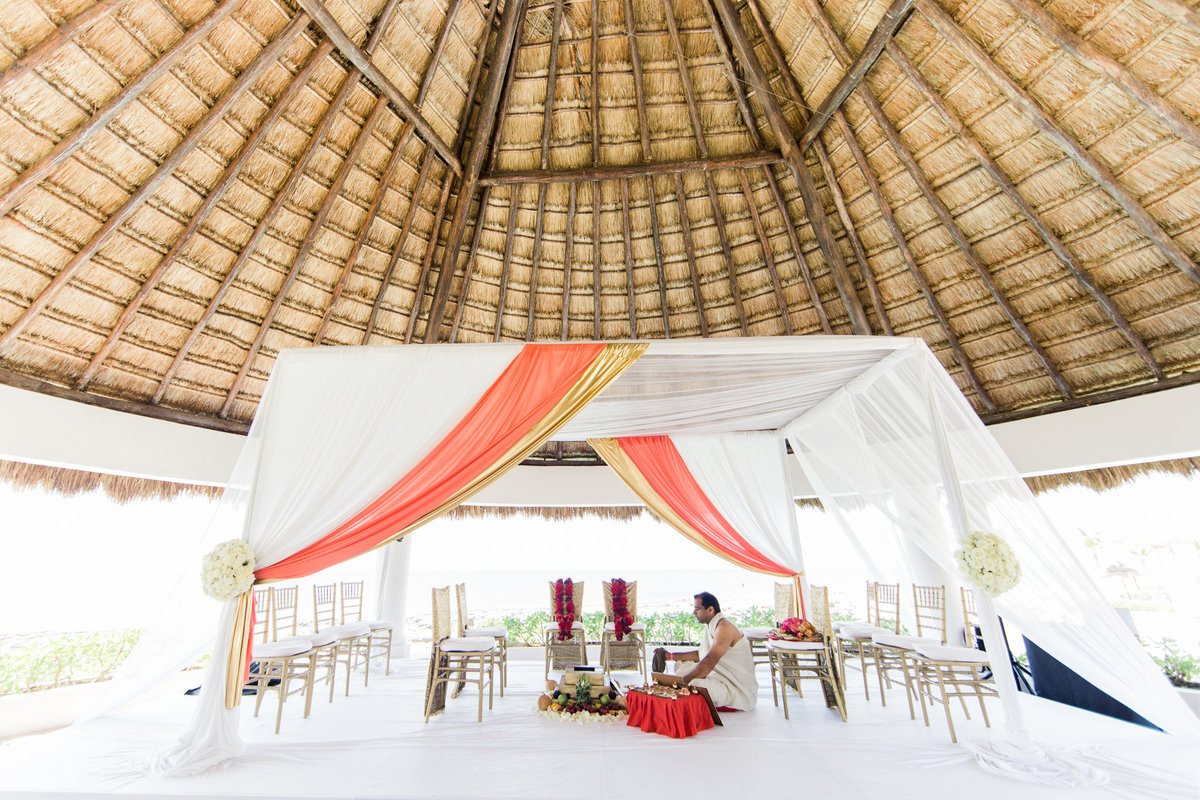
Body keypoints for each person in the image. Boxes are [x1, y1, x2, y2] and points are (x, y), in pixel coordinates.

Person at [666, 592, 758, 711]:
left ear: (710, 610)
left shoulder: (724, 628)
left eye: (697, 609)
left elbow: (709, 661)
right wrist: (671, 656)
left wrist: (682, 683)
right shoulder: (711, 625)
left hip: (736, 688)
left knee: (696, 684)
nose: (694, 612)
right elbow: (701, 654)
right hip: (717, 676)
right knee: (680, 665)